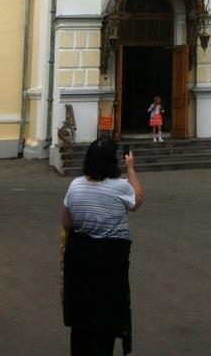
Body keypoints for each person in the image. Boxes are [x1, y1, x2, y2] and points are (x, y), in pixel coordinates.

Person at [61, 138, 144, 355]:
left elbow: (66, 223)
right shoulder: (120, 187)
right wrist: (131, 167)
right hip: (110, 261)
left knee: (81, 316)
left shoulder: (75, 184)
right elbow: (137, 201)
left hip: (80, 259)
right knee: (106, 315)